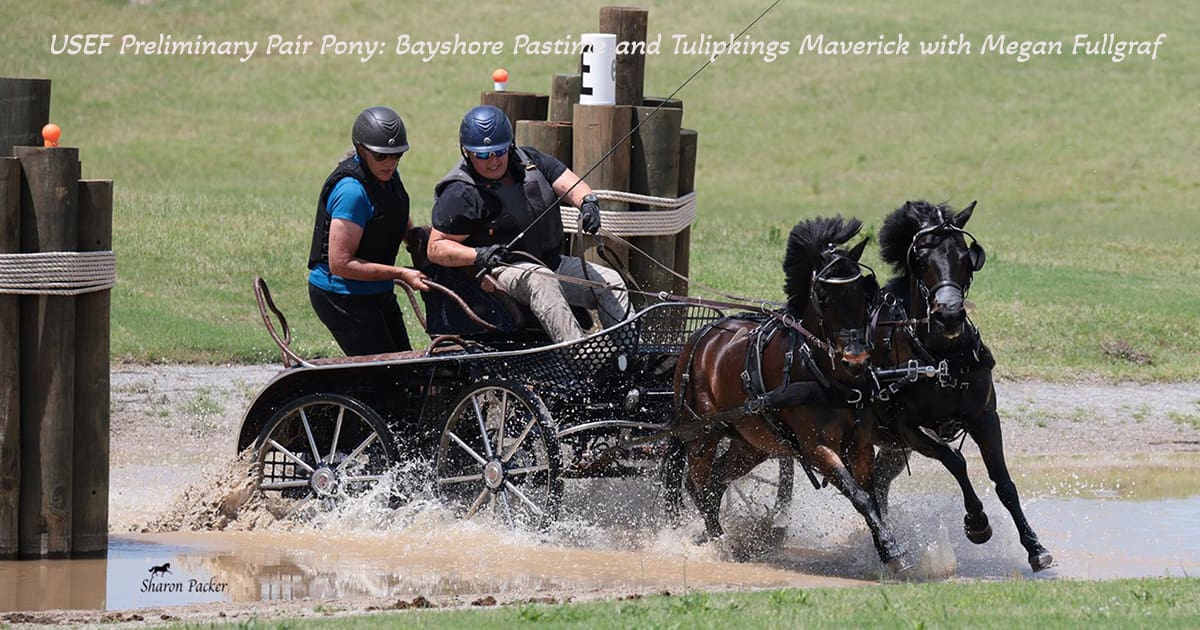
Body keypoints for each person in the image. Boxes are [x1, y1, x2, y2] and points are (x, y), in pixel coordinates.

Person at [426, 105, 630, 344]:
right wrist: (479, 254)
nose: (492, 161)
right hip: (500, 273)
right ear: (467, 153)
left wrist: (588, 203)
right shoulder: (460, 192)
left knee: (610, 283)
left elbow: (568, 182)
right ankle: (580, 359)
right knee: (541, 279)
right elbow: (435, 247)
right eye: (482, 155)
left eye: (499, 151)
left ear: (510, 146)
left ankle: (624, 358)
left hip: (552, 263)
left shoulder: (530, 160)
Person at [307, 106, 429, 356]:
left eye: (396, 155)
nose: (390, 163)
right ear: (361, 150)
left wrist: (417, 237)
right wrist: (401, 273)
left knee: (404, 365)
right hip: (340, 297)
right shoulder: (352, 192)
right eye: (381, 156)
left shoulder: (387, 176)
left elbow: (393, 213)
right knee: (381, 376)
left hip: (377, 291)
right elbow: (340, 264)